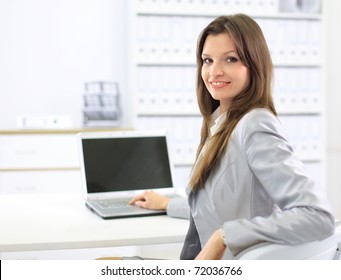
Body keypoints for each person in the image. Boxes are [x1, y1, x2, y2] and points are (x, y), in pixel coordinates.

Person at [129, 14, 335, 260]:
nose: (214, 71)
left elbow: (318, 216)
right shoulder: (220, 123)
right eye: (207, 60)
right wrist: (167, 204)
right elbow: (223, 209)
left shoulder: (255, 125)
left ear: (254, 64)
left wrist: (223, 236)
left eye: (231, 59)